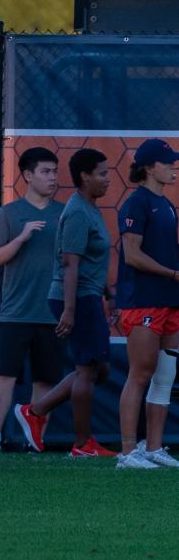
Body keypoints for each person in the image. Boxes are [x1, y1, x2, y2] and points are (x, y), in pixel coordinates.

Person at [19, 148, 114, 458]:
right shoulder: (76, 212)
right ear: (85, 177)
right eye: (101, 173)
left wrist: (107, 293)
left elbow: (90, 261)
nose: (107, 179)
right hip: (74, 299)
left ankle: (36, 410)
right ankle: (83, 444)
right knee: (87, 371)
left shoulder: (90, 208)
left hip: (88, 296)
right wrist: (70, 311)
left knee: (98, 371)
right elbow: (70, 264)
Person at [0, 147, 66, 452]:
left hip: (54, 311)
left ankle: (36, 437)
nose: (53, 178)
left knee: (46, 379)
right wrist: (21, 238)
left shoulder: (64, 213)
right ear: (28, 175)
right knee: (6, 374)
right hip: (16, 312)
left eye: (55, 172)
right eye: (46, 172)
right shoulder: (9, 213)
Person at [105, 138, 179, 469]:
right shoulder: (137, 203)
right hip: (142, 301)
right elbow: (132, 255)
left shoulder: (167, 205)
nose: (173, 166)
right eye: (167, 162)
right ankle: (127, 452)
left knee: (165, 373)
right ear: (149, 168)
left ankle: (153, 448)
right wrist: (173, 274)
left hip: (169, 302)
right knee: (141, 373)